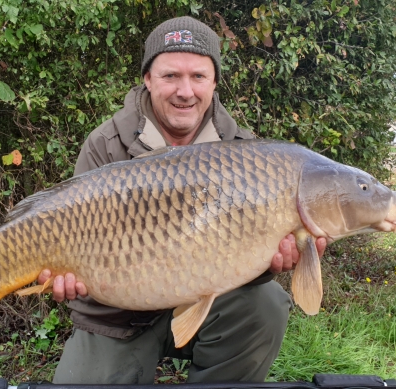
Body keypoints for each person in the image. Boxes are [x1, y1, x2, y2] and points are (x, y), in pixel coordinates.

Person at [36, 16, 327, 384]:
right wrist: (67, 275)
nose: (185, 91)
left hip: (210, 308)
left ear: (215, 81)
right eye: (171, 76)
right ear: (147, 78)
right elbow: (70, 230)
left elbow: (248, 255)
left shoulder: (247, 154)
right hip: (119, 314)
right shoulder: (106, 143)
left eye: (198, 77)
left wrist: (272, 264)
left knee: (265, 305)